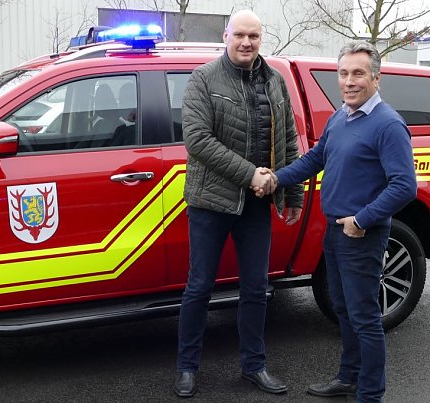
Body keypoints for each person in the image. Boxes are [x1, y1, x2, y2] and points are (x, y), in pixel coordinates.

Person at [263, 41, 417, 403]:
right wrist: (276, 179)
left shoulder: (388, 125)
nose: (349, 81)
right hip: (335, 231)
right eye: (344, 74)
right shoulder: (341, 116)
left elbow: (404, 186)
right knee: (343, 308)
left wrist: (362, 219)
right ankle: (348, 377)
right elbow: (315, 158)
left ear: (376, 79)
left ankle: (371, 394)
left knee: (364, 317)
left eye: (358, 74)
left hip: (360, 234)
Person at [174, 9, 304, 398]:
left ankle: (254, 365)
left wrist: (292, 192)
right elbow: (197, 140)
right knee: (199, 287)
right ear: (225, 35)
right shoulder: (203, 79)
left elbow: (289, 141)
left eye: (254, 36)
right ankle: (186, 367)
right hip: (210, 202)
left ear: (261, 39)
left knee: (256, 288)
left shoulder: (275, 81)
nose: (247, 42)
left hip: (256, 206)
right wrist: (250, 174)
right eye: (240, 35)